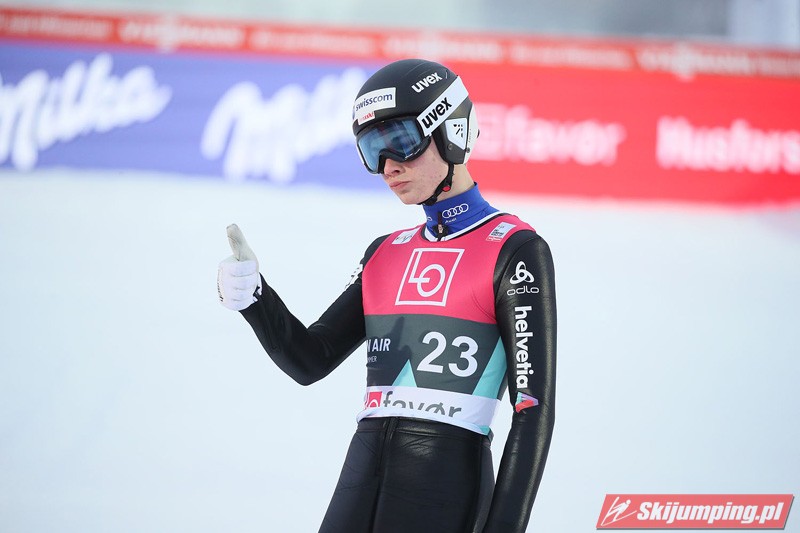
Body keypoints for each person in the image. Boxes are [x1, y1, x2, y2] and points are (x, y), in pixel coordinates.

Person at [217, 58, 556, 533]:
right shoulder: (384, 252)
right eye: (372, 150)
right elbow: (310, 360)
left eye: (402, 142)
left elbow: (533, 410)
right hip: (360, 476)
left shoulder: (514, 249)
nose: (388, 166)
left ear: (452, 131)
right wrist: (255, 298)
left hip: (445, 482)